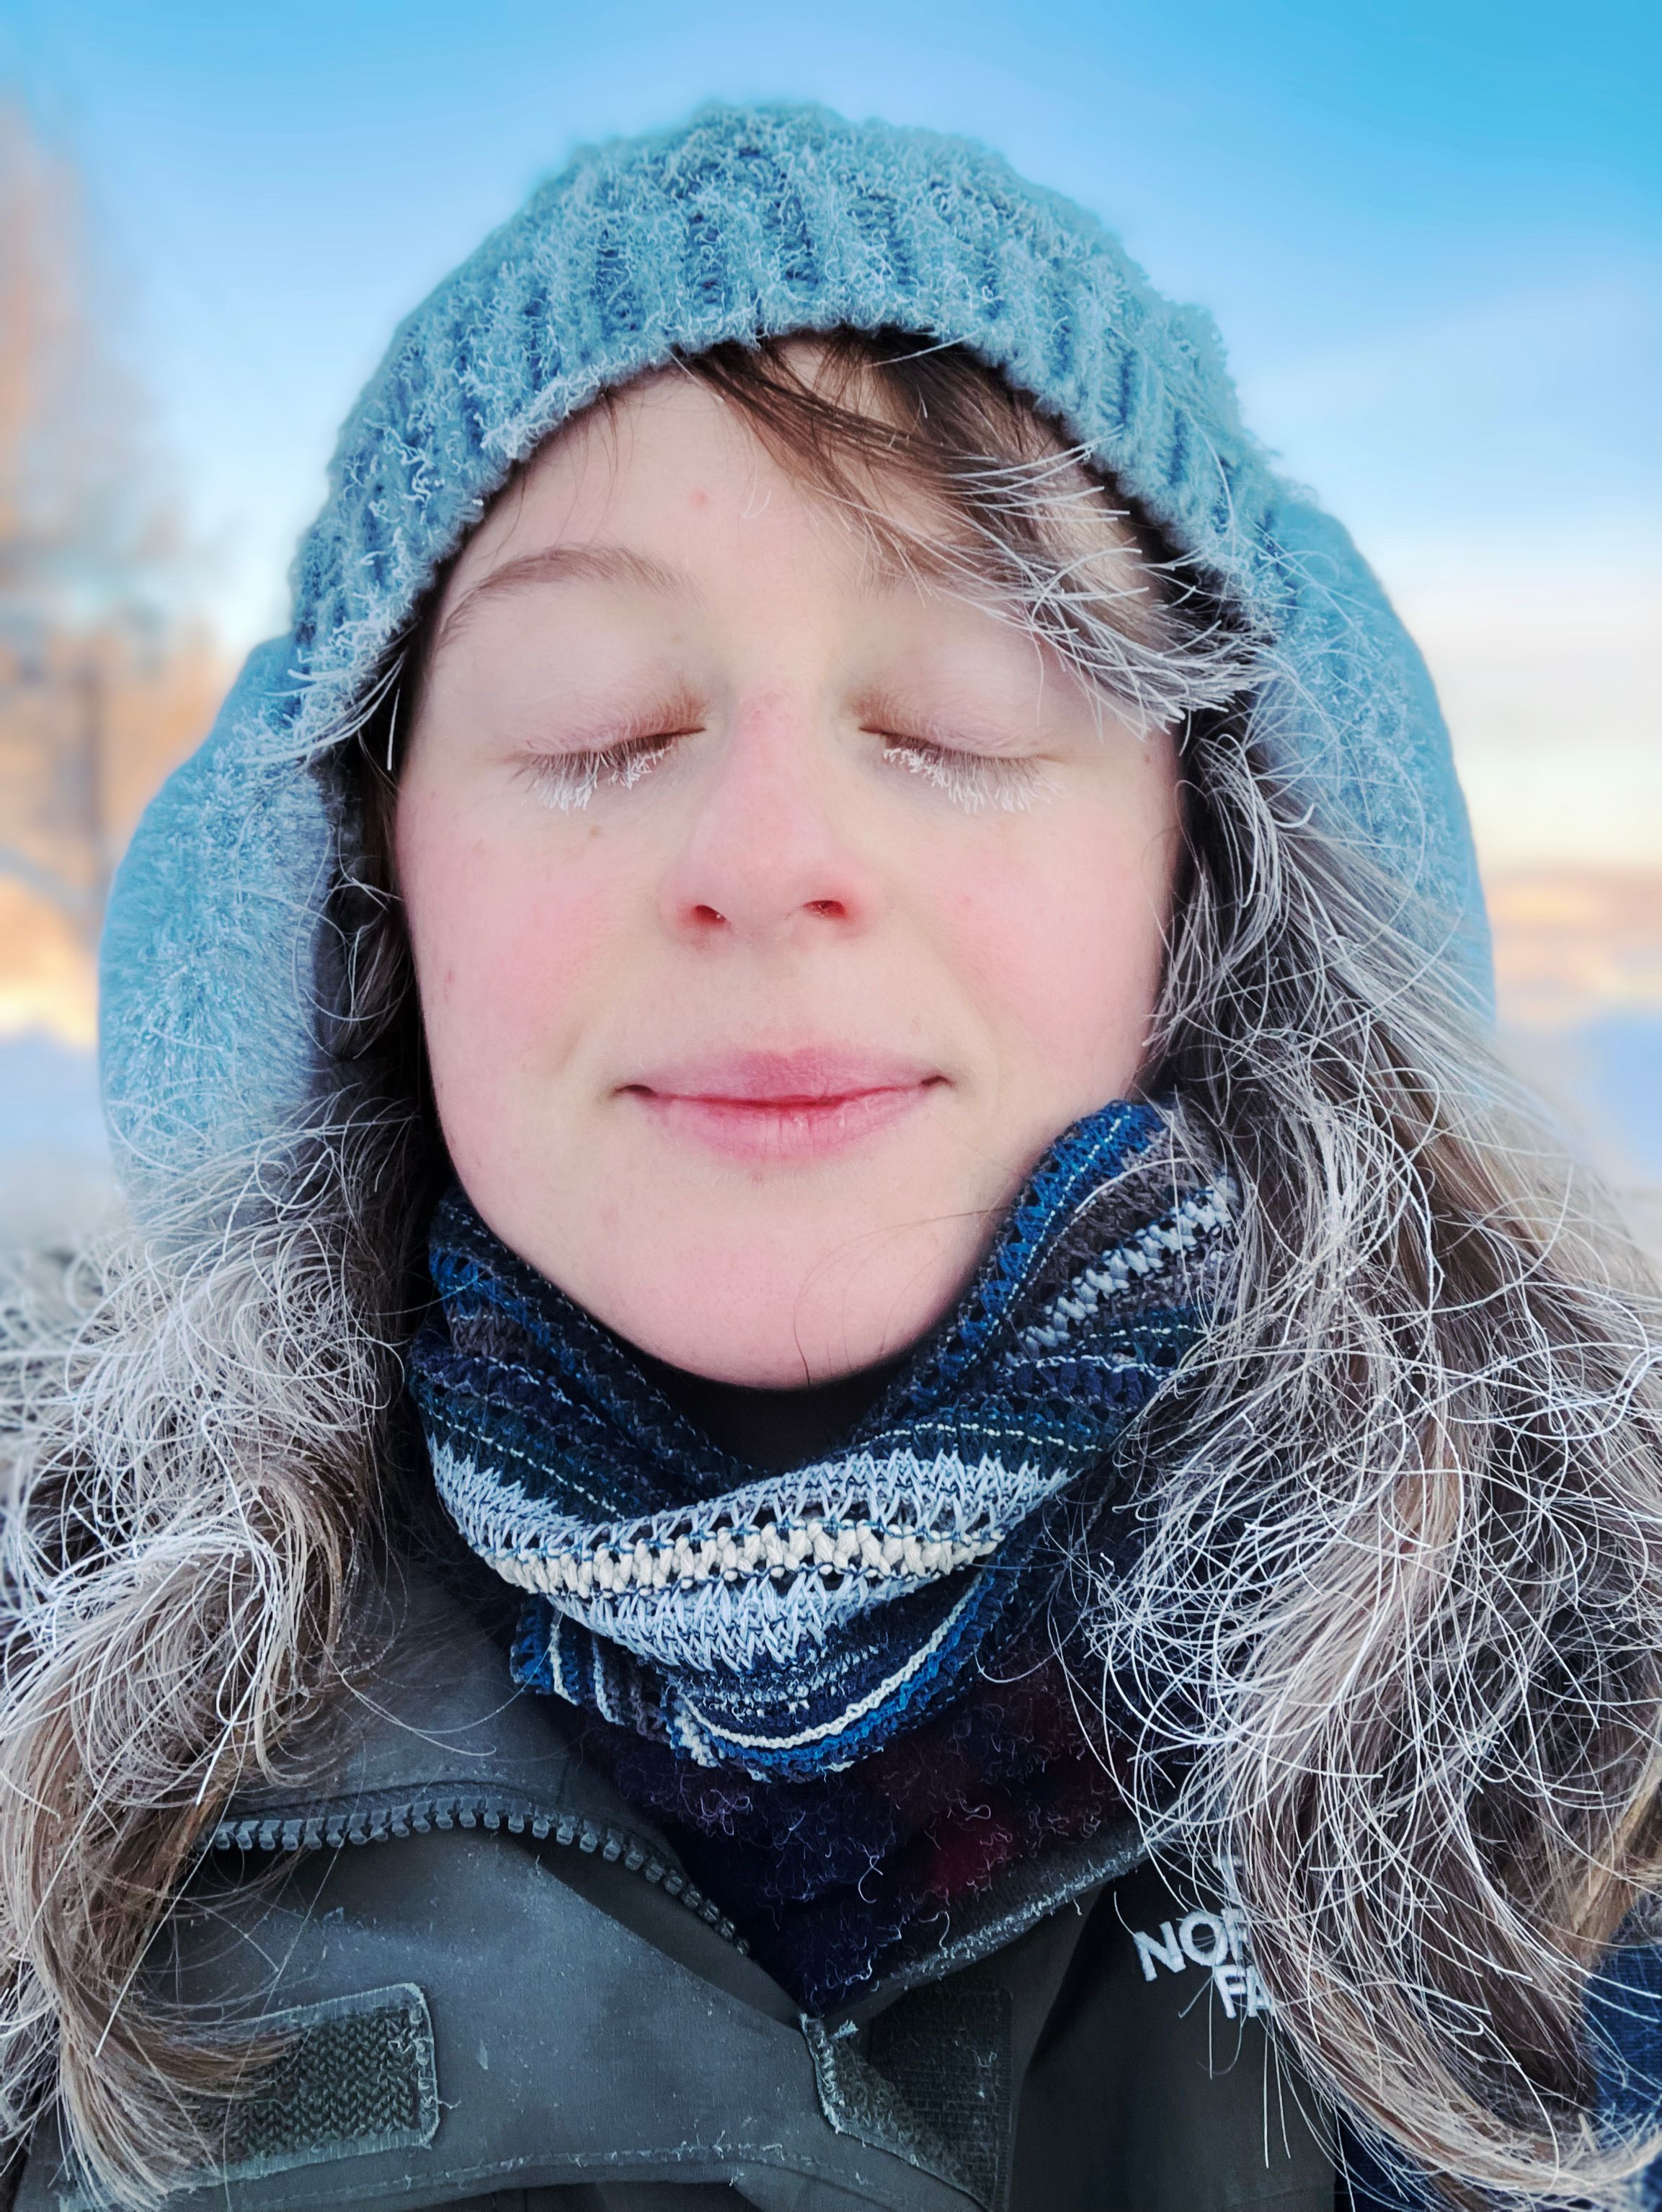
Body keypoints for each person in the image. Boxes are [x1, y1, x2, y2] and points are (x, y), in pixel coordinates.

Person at [4, 104, 1661, 2212]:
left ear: (1200, 872)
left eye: (960, 718)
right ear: (364, 885)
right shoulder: (43, 1747)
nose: (773, 863)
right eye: (599, 722)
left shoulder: (1601, 1764)